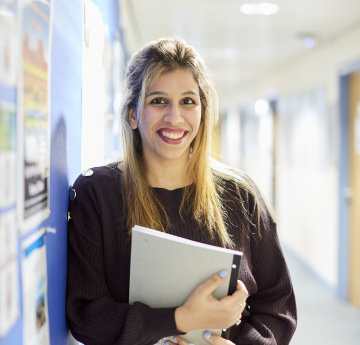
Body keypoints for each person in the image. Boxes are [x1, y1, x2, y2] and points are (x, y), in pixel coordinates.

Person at [66, 37, 297, 345]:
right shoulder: (97, 193)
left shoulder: (239, 196)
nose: (175, 117)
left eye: (188, 101)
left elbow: (278, 308)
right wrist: (181, 319)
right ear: (133, 114)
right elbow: (87, 316)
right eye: (158, 101)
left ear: (202, 113)